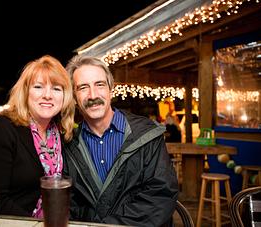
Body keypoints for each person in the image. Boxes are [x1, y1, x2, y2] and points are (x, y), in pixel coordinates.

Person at [63, 55, 179, 227]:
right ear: (74, 97)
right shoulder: (68, 144)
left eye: (99, 84)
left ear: (111, 89)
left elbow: (160, 195)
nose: (92, 95)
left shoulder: (147, 134)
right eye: (83, 88)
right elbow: (69, 204)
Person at [0, 55, 75, 217]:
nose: (47, 95)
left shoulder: (59, 135)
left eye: (56, 88)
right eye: (38, 87)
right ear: (25, 92)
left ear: (65, 97)